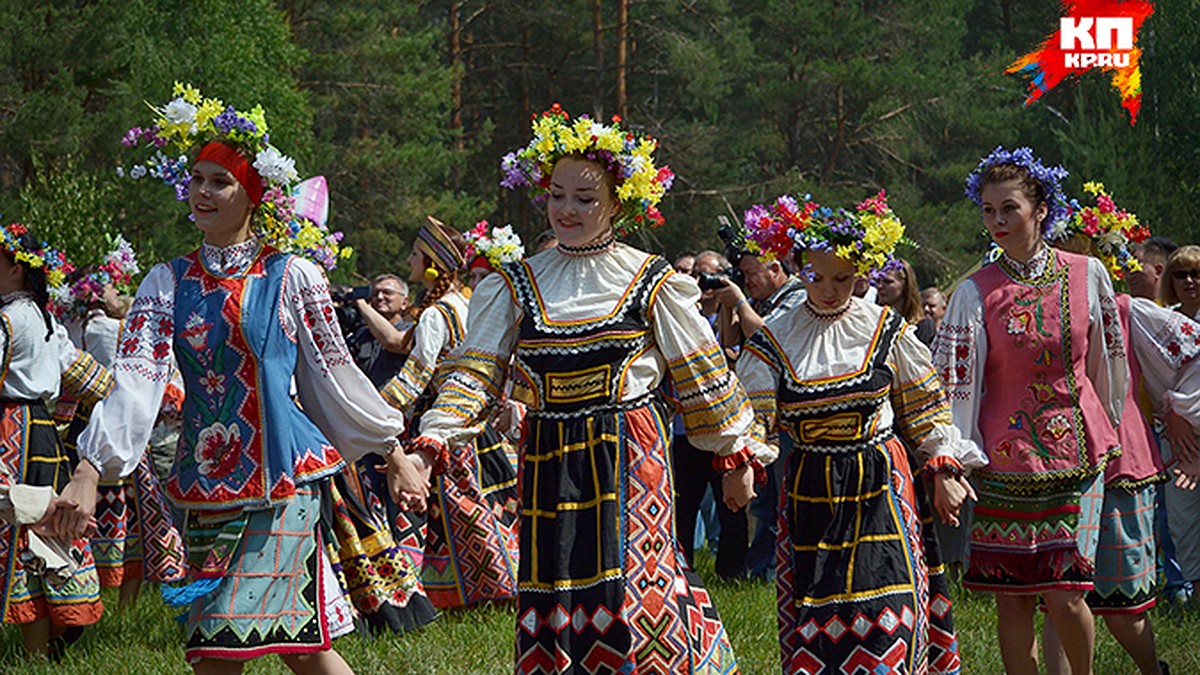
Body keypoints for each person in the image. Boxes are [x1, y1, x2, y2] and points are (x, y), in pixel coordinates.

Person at [56, 85, 430, 673]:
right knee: (298, 648)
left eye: (219, 182)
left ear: (252, 193)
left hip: (283, 482)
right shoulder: (166, 283)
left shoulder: (292, 277)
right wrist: (90, 468)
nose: (202, 193)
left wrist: (393, 450)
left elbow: (335, 376)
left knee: (220, 647)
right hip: (203, 491)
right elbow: (135, 380)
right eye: (197, 179)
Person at [414, 104, 770, 673]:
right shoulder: (516, 282)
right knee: (556, 584)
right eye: (557, 195)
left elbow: (702, 376)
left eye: (584, 198)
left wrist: (734, 455)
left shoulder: (651, 280)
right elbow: (475, 371)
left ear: (617, 203)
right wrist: (434, 438)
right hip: (550, 454)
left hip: (629, 453)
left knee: (633, 591)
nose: (567, 210)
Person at [738, 191, 972, 674]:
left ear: (862, 272)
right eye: (815, 277)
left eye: (843, 278)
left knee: (889, 612)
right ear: (798, 267)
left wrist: (943, 468)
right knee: (822, 617)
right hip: (811, 490)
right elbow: (754, 413)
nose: (828, 289)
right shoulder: (776, 338)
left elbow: (926, 408)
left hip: (879, 485)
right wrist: (741, 462)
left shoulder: (885, 328)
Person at [933, 147, 1128, 675]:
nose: (997, 220)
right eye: (989, 210)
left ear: (1041, 208)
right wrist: (951, 460)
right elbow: (954, 386)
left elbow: (1110, 360)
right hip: (1001, 462)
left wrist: (1111, 427)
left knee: (1065, 593)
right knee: (1013, 597)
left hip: (1076, 457)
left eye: (1009, 208)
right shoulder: (974, 293)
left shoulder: (1087, 274)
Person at [1041, 183, 1200, 675]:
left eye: (1077, 251)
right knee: (1058, 593)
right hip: (1055, 459)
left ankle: (1155, 670)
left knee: (1123, 601)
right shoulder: (1037, 308)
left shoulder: (1127, 311)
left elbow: (1195, 346)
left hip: (1119, 462)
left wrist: (1177, 407)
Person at [376, 216, 520, 610]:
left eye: (415, 254)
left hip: (445, 426)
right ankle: (501, 586)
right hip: (477, 424)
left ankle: (478, 591)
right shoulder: (471, 303)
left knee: (462, 512)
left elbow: (418, 373)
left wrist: (376, 410)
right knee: (489, 506)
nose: (409, 260)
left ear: (432, 262)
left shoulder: (436, 314)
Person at [58, 242, 187, 611]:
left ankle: (95, 596)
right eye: (114, 286)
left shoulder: (73, 327)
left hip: (76, 428)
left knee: (111, 517)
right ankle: (125, 606)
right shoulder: (108, 330)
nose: (122, 293)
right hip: (122, 428)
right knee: (133, 521)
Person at [0, 224, 105, 657]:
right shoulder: (44, 317)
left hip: (10, 428)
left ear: (17, 271)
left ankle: (38, 650)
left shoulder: (7, 318)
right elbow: (93, 381)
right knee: (41, 533)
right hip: (41, 432)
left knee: (18, 527)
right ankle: (47, 642)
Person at [672, 249, 749, 579]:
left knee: (729, 504)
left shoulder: (730, 318)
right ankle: (681, 566)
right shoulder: (679, 318)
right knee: (683, 505)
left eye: (708, 275)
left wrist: (731, 306)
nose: (702, 283)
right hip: (683, 428)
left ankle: (731, 571)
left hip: (723, 429)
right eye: (696, 275)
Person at [348, 273, 413, 387]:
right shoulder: (363, 334)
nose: (379, 297)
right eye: (375, 293)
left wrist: (361, 304)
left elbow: (394, 342)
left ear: (404, 303)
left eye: (387, 293)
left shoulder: (412, 331)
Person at [875, 257, 936, 346]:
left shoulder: (922, 325)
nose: (880, 286)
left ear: (905, 285)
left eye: (888, 282)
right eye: (878, 281)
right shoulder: (875, 321)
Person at [1127, 236, 1177, 302]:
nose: (1129, 276)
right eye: (1126, 269)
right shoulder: (1120, 309)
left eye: (1136, 268)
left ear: (1158, 271)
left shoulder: (1175, 310)